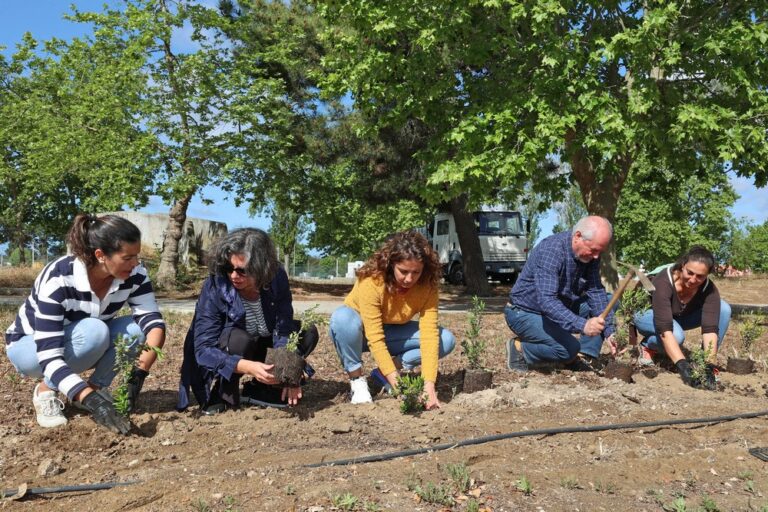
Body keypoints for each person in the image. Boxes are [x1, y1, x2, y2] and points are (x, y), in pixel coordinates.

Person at [5, 214, 166, 434]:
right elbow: (49, 355)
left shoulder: (134, 275)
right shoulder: (60, 278)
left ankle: (94, 388)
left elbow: (153, 321)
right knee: (94, 331)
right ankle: (45, 391)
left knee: (137, 329)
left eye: (136, 256)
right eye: (127, 258)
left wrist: (139, 374)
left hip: (84, 340)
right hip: (30, 348)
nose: (135, 263)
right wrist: (93, 403)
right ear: (100, 255)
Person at [177, 228, 318, 413]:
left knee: (307, 331)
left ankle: (261, 389)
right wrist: (248, 367)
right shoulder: (214, 285)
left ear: (262, 268)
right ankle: (223, 390)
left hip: (261, 343)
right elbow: (203, 350)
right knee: (238, 339)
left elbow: (284, 327)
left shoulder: (277, 277)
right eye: (229, 268)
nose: (234, 276)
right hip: (230, 348)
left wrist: (289, 371)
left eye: (242, 271)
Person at [329, 230, 455, 409]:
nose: (409, 279)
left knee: (445, 339)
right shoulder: (372, 280)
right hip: (358, 333)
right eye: (403, 271)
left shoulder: (428, 285)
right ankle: (357, 380)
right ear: (390, 264)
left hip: (393, 333)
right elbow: (375, 337)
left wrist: (429, 386)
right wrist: (399, 386)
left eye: (416, 272)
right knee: (342, 318)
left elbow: (429, 334)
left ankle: (383, 373)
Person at [504, 216, 616, 372]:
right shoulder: (552, 250)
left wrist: (610, 331)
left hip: (560, 306)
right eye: (594, 250)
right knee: (568, 349)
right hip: (525, 312)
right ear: (577, 236)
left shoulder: (591, 255)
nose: (597, 256)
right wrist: (583, 325)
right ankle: (521, 348)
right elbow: (547, 301)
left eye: (600, 251)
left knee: (608, 301)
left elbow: (595, 290)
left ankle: (584, 355)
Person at [633, 246, 731, 386]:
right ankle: (648, 346)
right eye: (690, 273)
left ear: (708, 274)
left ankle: (701, 364)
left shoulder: (709, 290)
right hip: (647, 314)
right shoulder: (664, 280)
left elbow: (710, 330)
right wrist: (682, 365)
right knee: (676, 336)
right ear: (683, 265)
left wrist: (709, 365)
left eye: (700, 276)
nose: (693, 280)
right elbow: (665, 330)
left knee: (724, 309)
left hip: (677, 317)